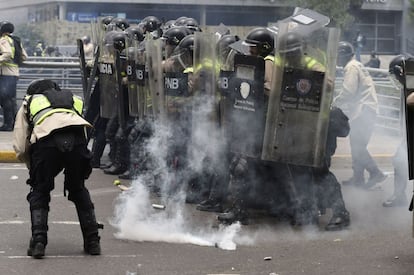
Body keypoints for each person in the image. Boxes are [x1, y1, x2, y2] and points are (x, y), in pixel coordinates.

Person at [12, 79, 102, 259]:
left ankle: (39, 241)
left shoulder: (29, 102)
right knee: (78, 189)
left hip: (46, 144)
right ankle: (93, 241)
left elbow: (21, 146)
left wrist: (35, 171)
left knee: (40, 191)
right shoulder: (73, 99)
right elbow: (83, 133)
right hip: (77, 144)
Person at [333, 41, 386, 189]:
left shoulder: (351, 67)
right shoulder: (355, 65)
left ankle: (376, 173)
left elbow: (348, 91)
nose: (337, 60)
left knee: (358, 147)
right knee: (357, 145)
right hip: (366, 109)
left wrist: (334, 103)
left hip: (363, 110)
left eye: (338, 56)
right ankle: (358, 179)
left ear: (342, 56)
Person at [383, 54, 412, 207]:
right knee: (399, 161)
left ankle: (400, 197)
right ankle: (399, 197)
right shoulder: (407, 87)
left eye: (397, 75)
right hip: (410, 136)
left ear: (402, 72)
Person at [0, 21, 28, 131]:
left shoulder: (3, 40)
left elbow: (7, 54)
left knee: (5, 100)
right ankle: (14, 123)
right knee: (10, 99)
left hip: (5, 74)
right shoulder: (16, 40)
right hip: (14, 73)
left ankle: (8, 124)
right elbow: (24, 56)